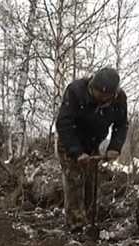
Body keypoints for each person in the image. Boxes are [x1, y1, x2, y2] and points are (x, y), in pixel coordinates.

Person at [56, 67, 128, 234]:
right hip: (70, 141)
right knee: (75, 180)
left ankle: (89, 222)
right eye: (97, 94)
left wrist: (115, 147)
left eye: (105, 97)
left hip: (93, 143)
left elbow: (121, 124)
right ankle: (75, 226)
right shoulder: (75, 91)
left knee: (90, 182)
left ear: (113, 94)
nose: (100, 99)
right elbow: (64, 123)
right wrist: (76, 151)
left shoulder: (120, 99)